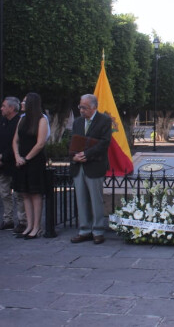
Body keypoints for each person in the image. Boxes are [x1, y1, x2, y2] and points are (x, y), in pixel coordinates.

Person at [70, 94, 112, 244]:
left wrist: (87, 154)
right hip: (79, 166)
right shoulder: (77, 122)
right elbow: (73, 141)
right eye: (80, 107)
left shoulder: (104, 120)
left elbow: (104, 143)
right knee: (81, 200)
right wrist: (74, 156)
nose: (82, 110)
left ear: (94, 107)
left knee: (96, 200)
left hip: (94, 165)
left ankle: (98, 230)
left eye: (85, 108)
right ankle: (84, 229)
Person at [12, 93, 48, 239]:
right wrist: (17, 156)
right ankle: (28, 225)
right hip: (21, 160)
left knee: (35, 193)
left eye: (24, 101)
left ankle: (36, 227)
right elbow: (15, 140)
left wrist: (26, 158)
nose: (21, 103)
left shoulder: (41, 120)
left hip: (34, 161)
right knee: (24, 193)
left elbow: (40, 143)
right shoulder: (21, 120)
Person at [0, 97, 26, 232]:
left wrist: (3, 156)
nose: (2, 108)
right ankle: (7, 219)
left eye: (4, 106)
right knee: (4, 194)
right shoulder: (0, 122)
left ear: (11, 108)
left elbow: (17, 143)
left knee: (19, 194)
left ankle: (22, 220)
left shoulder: (19, 122)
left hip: (14, 164)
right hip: (0, 165)